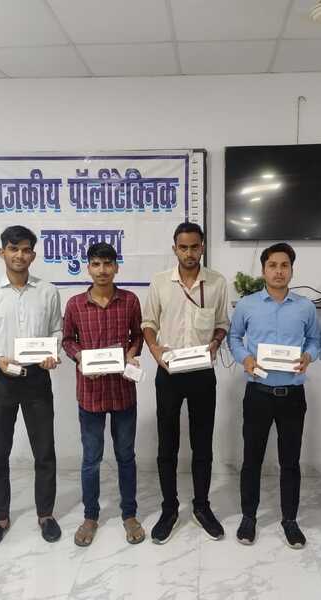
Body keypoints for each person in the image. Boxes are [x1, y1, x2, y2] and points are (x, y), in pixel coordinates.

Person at [0, 225, 63, 548]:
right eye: (13, 248)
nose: (20, 255)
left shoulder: (48, 291)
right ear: (2, 252)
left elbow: (57, 330)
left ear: (33, 254)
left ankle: (46, 515)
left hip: (37, 379)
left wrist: (52, 352)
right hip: (1, 379)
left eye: (26, 249)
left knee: (44, 451)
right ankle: (0, 518)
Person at [227, 242, 321, 548]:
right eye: (273, 265)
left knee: (290, 461)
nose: (279, 271)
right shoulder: (247, 305)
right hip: (258, 393)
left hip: (292, 395)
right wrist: (245, 358)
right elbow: (233, 337)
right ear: (263, 270)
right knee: (251, 459)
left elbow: (315, 340)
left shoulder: (305, 307)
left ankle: (290, 520)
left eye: (284, 265)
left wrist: (308, 356)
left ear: (292, 270)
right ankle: (249, 517)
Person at [142, 222, 230, 544]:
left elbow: (222, 323)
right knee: (167, 444)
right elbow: (148, 323)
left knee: (202, 443)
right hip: (168, 372)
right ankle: (169, 509)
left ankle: (202, 507)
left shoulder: (217, 282)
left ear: (202, 247)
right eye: (183, 247)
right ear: (175, 248)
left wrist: (216, 343)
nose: (189, 253)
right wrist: (155, 350)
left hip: (202, 373)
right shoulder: (160, 282)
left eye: (194, 247)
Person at [62, 242, 145, 547]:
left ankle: (129, 514)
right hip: (91, 393)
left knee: (126, 457)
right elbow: (67, 340)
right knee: (91, 459)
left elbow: (138, 335)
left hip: (122, 390)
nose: (102, 270)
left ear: (116, 267)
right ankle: (90, 516)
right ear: (88, 268)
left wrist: (133, 353)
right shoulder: (75, 304)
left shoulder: (130, 300)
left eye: (108, 264)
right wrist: (80, 357)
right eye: (96, 264)